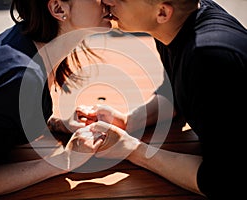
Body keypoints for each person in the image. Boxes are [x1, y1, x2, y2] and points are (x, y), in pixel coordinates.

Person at [68, 0, 247, 199]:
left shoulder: (209, 56)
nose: (107, 1)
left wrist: (132, 149)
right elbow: (175, 93)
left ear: (162, 12)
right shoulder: (178, 23)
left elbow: (224, 180)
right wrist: (128, 120)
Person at [0, 0, 114, 199]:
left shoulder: (25, 40)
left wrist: (57, 124)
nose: (108, 1)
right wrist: (67, 160)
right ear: (59, 9)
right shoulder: (21, 77)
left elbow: (0, 120)